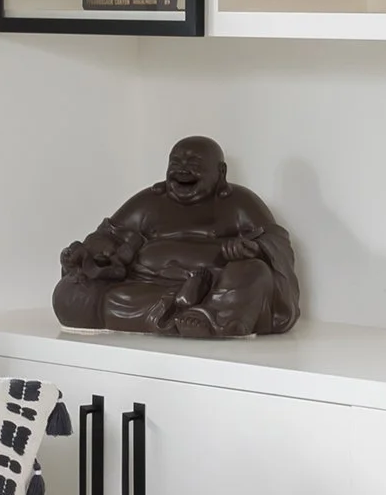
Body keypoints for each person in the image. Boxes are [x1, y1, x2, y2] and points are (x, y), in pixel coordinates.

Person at [54, 134, 300, 341]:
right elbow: (106, 236)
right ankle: (182, 309)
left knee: (255, 273)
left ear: (221, 172)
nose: (183, 169)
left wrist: (252, 248)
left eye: (194, 162)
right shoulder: (148, 201)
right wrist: (88, 255)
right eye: (176, 162)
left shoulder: (240, 203)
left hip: (214, 286)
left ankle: (208, 315)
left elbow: (275, 242)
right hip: (146, 286)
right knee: (71, 294)